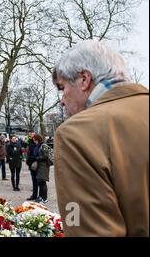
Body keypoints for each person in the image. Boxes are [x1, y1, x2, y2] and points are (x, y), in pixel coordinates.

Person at [52, 39, 149, 236]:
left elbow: (82, 226)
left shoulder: (76, 133)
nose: (62, 100)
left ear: (84, 79)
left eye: (62, 88)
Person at [31, 134, 51, 203]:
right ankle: (41, 197)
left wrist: (37, 158)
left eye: (35, 140)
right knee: (40, 182)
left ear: (38, 139)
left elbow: (46, 157)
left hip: (44, 166)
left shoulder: (43, 146)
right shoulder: (39, 146)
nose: (34, 142)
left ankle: (44, 198)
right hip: (40, 166)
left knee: (42, 182)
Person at [25, 130, 38, 201]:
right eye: (29, 135)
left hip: (34, 163)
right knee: (34, 180)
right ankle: (34, 194)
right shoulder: (30, 142)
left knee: (37, 180)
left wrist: (30, 158)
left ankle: (38, 195)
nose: (30, 136)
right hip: (31, 163)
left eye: (31, 134)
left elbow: (35, 153)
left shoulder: (36, 143)